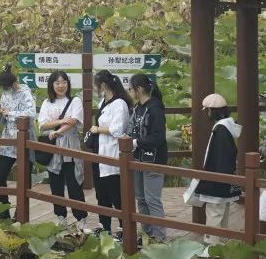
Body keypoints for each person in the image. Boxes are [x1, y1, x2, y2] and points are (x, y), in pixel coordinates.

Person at [37, 71, 87, 228]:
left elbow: (74, 121)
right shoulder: (47, 103)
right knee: (56, 185)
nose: (61, 86)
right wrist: (61, 120)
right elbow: (42, 124)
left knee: (74, 184)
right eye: (57, 83)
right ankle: (60, 217)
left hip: (69, 145)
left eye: (64, 82)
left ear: (68, 84)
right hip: (53, 147)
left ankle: (81, 218)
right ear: (52, 85)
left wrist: (58, 130)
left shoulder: (75, 101)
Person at [192, 94, 241, 243]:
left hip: (217, 179)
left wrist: (215, 180)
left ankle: (212, 245)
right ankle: (221, 244)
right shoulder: (226, 128)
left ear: (210, 110)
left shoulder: (220, 130)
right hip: (226, 178)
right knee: (223, 212)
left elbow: (220, 158)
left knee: (214, 212)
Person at [88, 70, 132, 236]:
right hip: (99, 151)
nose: (94, 88)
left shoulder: (119, 104)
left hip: (112, 152)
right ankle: (104, 225)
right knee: (101, 192)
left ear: (104, 85)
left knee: (116, 193)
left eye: (95, 85)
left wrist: (97, 129)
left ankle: (123, 227)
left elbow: (117, 129)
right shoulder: (103, 102)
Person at [128, 73, 168, 241]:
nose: (129, 92)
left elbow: (158, 137)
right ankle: (147, 234)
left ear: (139, 89)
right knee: (141, 199)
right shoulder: (138, 107)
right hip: (138, 158)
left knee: (152, 199)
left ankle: (159, 238)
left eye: (130, 89)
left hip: (154, 159)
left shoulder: (155, 108)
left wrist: (136, 142)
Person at [0, 65, 36, 220]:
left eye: (7, 86)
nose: (5, 89)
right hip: (8, 139)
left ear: (13, 83)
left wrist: (10, 113)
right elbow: (2, 120)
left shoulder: (25, 92)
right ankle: (4, 210)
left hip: (25, 138)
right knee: (0, 175)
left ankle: (20, 211)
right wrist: (1, 114)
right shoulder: (5, 94)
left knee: (23, 178)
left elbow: (31, 113)